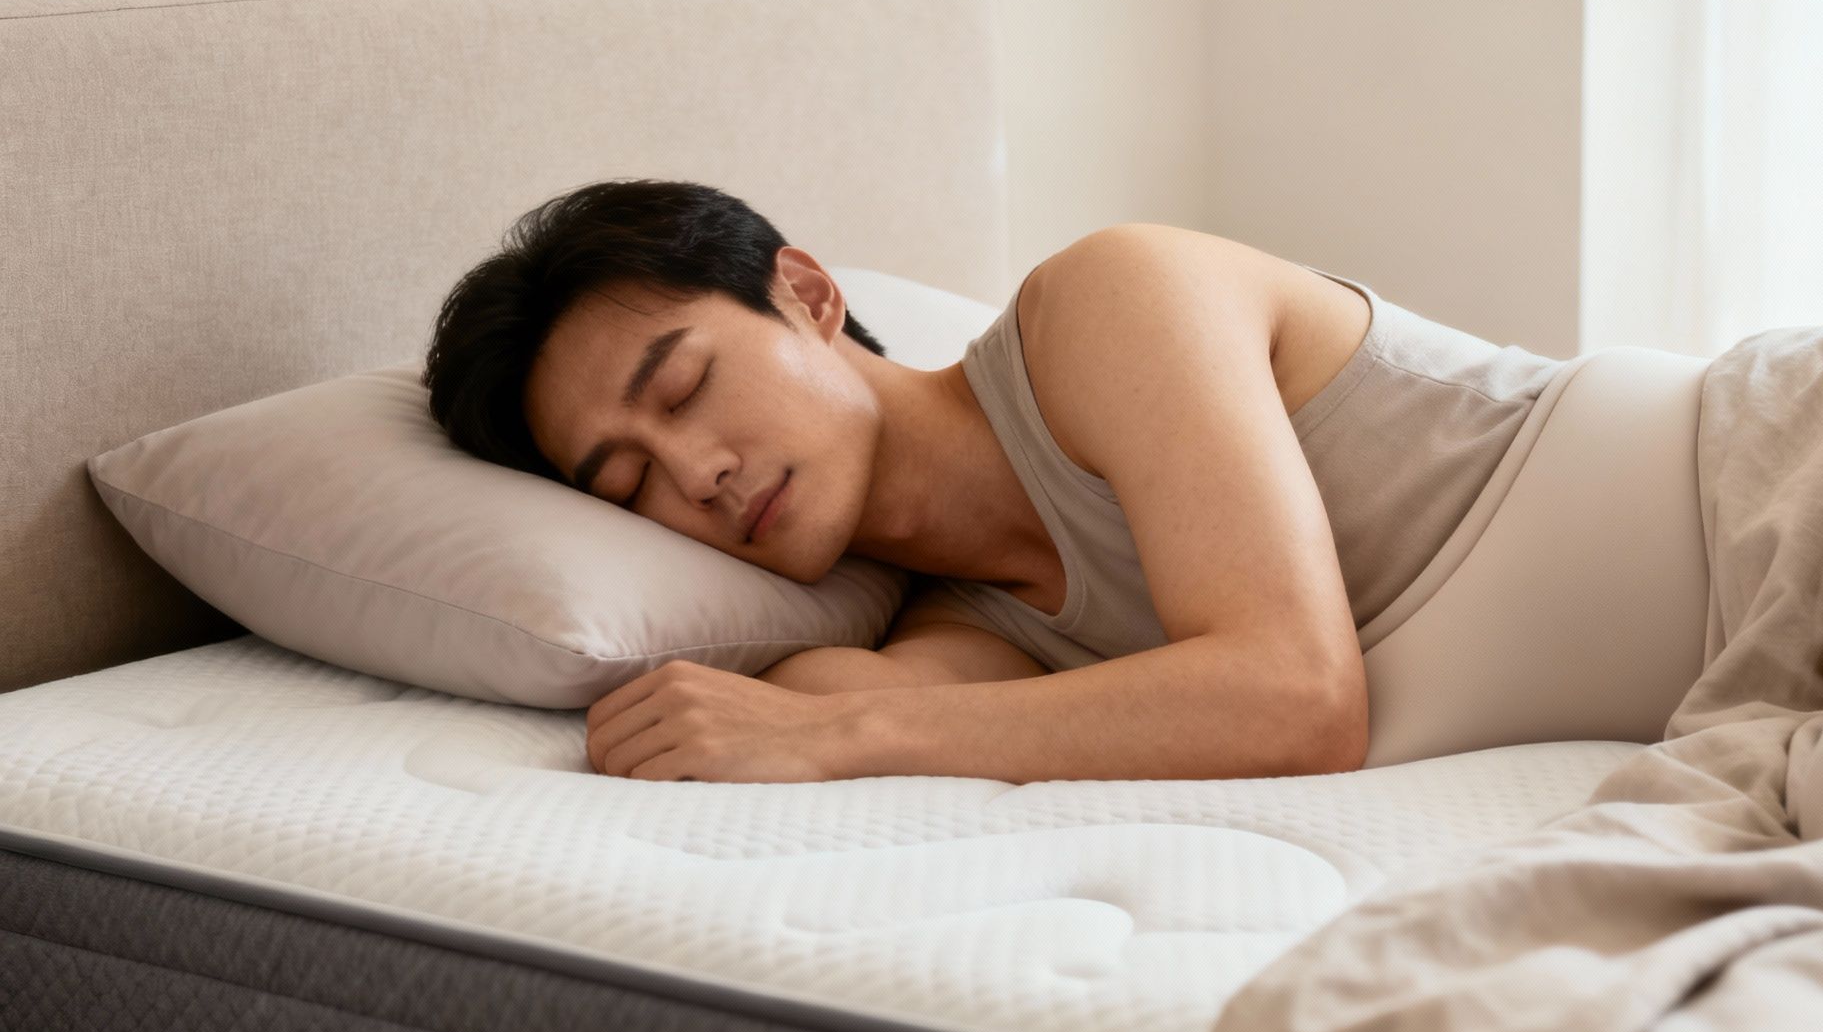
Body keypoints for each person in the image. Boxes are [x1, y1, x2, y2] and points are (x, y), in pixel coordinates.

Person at [423, 179, 1564, 784]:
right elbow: (794, 724)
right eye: (629, 487)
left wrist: (839, 736)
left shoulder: (1108, 303)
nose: (697, 475)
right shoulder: (955, 644)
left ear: (808, 298)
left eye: (681, 392)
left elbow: (1297, 701)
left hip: (1730, 483)